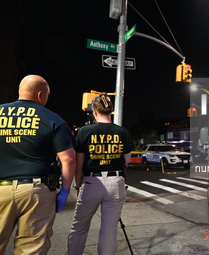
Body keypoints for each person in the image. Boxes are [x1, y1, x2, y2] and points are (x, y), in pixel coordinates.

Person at [0, 75, 76, 254]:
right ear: (40, 95)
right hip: (36, 192)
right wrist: (64, 192)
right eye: (47, 96)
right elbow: (68, 160)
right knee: (31, 248)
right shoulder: (53, 119)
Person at [67, 92, 134, 255]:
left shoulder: (84, 132)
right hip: (116, 182)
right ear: (111, 111)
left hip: (92, 182)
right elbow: (127, 160)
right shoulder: (123, 132)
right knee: (109, 229)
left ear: (94, 112)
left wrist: (78, 185)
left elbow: (79, 164)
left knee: (79, 227)